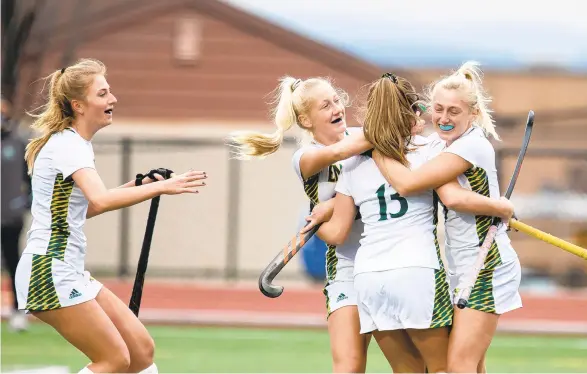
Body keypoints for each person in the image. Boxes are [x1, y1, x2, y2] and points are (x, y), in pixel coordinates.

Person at [302, 72, 514, 372]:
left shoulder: (351, 163)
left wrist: (317, 216)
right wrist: (501, 206)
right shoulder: (433, 151)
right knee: (445, 369)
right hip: (418, 272)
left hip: (368, 277)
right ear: (412, 113)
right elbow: (449, 194)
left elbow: (336, 233)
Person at [15, 58, 207, 374]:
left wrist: (137, 186)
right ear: (79, 105)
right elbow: (101, 200)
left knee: (141, 352)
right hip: (49, 271)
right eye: (103, 94)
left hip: (66, 270)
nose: (112, 99)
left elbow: (82, 210)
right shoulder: (69, 146)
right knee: (115, 360)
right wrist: (165, 188)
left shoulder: (74, 144)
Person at [371, 62, 522, 373]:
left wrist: (500, 208)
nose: (443, 118)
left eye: (454, 111)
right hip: (460, 265)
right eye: (438, 109)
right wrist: (499, 206)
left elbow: (437, 193)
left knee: (459, 366)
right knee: (473, 366)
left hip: (487, 264)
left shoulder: (473, 145)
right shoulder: (441, 145)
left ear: (473, 113)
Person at [228, 76, 374, 373]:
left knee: (412, 365)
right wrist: (389, 129)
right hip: (345, 267)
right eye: (325, 105)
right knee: (349, 365)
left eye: (336, 99)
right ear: (306, 120)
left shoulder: (365, 135)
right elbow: (339, 153)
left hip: (385, 261)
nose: (336, 108)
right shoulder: (305, 157)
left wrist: (330, 206)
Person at [1, 96, 32, 332]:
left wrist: (25, 202)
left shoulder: (18, 141)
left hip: (10, 216)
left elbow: (30, 177)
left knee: (14, 262)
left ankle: (18, 310)